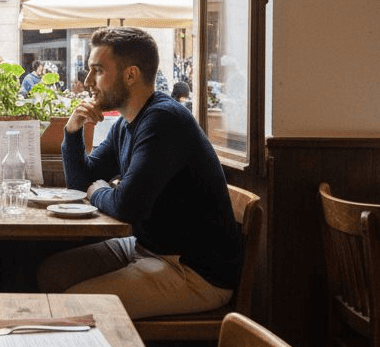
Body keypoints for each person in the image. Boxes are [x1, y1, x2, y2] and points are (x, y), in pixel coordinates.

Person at [36, 27, 243, 319]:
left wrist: (98, 191)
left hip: (193, 271)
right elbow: (81, 184)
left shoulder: (163, 120)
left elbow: (126, 205)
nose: (87, 81)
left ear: (130, 75)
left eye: (98, 70)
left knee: (73, 306)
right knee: (52, 273)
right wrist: (72, 132)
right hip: (147, 249)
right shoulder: (127, 123)